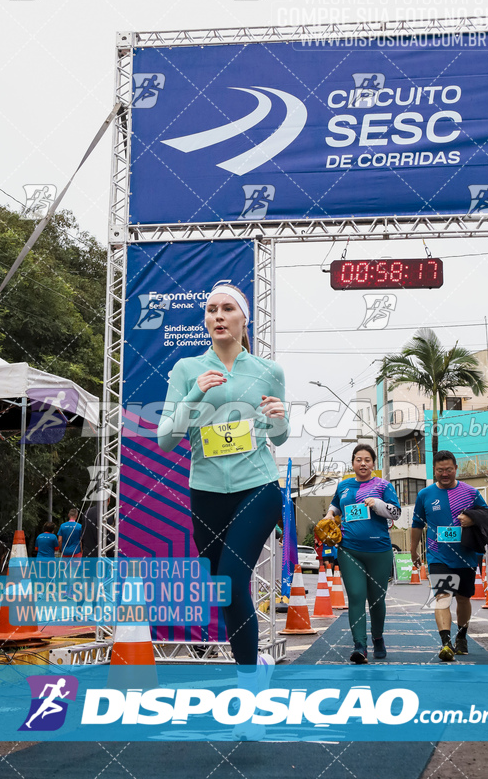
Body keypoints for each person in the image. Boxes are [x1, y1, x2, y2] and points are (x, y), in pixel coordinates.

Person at [158, 280, 289, 695]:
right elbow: (165, 438)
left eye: (227, 309)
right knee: (225, 591)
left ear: (243, 319)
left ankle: (248, 687)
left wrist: (280, 418)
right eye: (211, 309)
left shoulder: (268, 371)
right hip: (207, 493)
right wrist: (195, 394)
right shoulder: (187, 370)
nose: (217, 315)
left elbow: (280, 436)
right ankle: (257, 664)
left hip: (258, 486)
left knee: (233, 580)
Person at [323, 444, 401, 664]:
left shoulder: (383, 485)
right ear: (353, 462)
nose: (363, 463)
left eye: (367, 459)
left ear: (373, 463)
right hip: (349, 549)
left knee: (377, 600)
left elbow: (397, 511)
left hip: (379, 550)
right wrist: (330, 514)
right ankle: (359, 645)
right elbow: (336, 506)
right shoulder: (344, 486)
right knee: (356, 596)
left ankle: (378, 637)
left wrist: (378, 504)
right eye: (359, 459)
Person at [411, 450, 488, 662]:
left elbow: (487, 515)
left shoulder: (471, 492)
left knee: (463, 598)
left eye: (448, 470)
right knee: (442, 597)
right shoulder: (425, 495)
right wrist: (413, 550)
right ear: (434, 471)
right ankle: (446, 644)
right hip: (438, 556)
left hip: (466, 555)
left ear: (456, 469)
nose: (444, 474)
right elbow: (417, 525)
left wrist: (472, 520)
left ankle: (461, 637)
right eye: (440, 470)